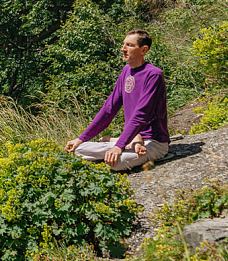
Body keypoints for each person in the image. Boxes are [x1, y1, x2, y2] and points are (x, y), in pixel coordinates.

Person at [65, 30, 170, 171]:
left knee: (117, 162)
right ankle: (130, 142)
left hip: (154, 142)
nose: (123, 49)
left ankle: (123, 142)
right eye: (123, 44)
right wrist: (80, 139)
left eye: (129, 45)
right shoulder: (126, 71)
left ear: (143, 50)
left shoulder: (153, 75)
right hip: (131, 138)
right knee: (79, 149)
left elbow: (141, 115)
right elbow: (109, 109)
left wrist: (118, 147)